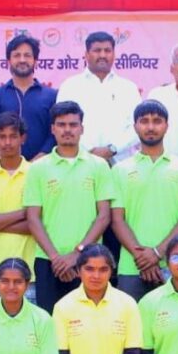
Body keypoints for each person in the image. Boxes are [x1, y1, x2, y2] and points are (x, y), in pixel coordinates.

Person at [23, 101, 115, 313]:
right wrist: (56, 258)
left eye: (73, 125)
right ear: (52, 129)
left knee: (88, 321)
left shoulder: (98, 165)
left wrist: (77, 254)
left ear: (82, 128)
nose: (67, 130)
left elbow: (103, 216)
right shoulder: (38, 168)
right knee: (50, 321)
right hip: (48, 261)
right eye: (61, 125)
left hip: (89, 260)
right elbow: (33, 218)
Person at [112, 100, 178, 301]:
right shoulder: (120, 170)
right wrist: (142, 257)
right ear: (135, 127)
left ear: (166, 126)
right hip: (132, 266)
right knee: (131, 321)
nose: (150, 127)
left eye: (157, 121)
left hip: (174, 265)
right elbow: (116, 219)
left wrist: (158, 253)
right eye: (144, 121)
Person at [56, 31, 142, 164]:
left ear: (114, 54)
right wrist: (90, 150)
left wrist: (113, 149)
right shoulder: (70, 86)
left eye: (107, 51)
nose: (102, 55)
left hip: (121, 164)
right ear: (86, 55)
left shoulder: (128, 88)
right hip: (80, 162)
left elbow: (138, 126)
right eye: (97, 50)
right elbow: (62, 123)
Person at [0, 112, 38, 304]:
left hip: (29, 272)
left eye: (13, 136)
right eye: (2, 136)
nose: (7, 142)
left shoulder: (36, 173)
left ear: (23, 138)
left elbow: (37, 225)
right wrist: (24, 214)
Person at [0, 34, 57, 162]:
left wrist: (36, 163)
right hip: (5, 169)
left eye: (27, 55)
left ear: (35, 61)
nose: (22, 60)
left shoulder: (51, 96)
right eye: (17, 55)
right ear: (8, 61)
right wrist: (10, 164)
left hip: (42, 167)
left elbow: (54, 133)